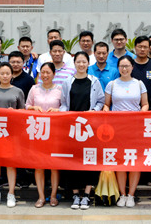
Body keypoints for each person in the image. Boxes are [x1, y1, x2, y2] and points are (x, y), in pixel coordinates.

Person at [60, 52, 105, 210]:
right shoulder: (67, 82)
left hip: (89, 127)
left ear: (88, 64)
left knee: (89, 159)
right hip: (72, 127)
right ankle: (75, 194)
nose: (81, 64)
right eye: (78, 62)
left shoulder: (94, 81)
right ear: (74, 63)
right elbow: (63, 103)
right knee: (72, 160)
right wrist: (66, 114)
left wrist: (94, 111)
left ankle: (86, 194)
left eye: (84, 62)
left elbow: (101, 101)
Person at [103, 55, 149, 207]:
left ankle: (131, 195)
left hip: (135, 129)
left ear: (132, 67)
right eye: (121, 66)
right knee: (120, 161)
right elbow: (107, 105)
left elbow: (145, 104)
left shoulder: (139, 84)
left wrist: (140, 115)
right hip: (116, 129)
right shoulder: (112, 84)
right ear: (118, 68)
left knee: (134, 161)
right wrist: (106, 113)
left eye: (127, 66)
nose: (124, 69)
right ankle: (122, 194)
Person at [0, 63, 25, 208]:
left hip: (12, 133)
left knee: (10, 164)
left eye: (8, 73)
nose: (5, 76)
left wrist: (14, 112)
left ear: (12, 75)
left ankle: (11, 194)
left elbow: (23, 111)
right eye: (2, 73)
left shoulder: (18, 91)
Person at [25, 62, 63, 208]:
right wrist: (33, 108)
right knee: (39, 165)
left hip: (55, 132)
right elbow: (26, 106)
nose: (45, 75)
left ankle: (53, 195)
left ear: (54, 74)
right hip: (38, 132)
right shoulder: (34, 89)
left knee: (54, 166)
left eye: (48, 72)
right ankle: (41, 196)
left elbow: (66, 106)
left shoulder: (60, 89)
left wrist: (58, 110)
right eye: (43, 73)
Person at [130, 36, 151, 111]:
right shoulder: (130, 65)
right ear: (135, 47)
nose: (142, 49)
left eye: (145, 47)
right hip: (133, 108)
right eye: (140, 47)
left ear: (149, 48)